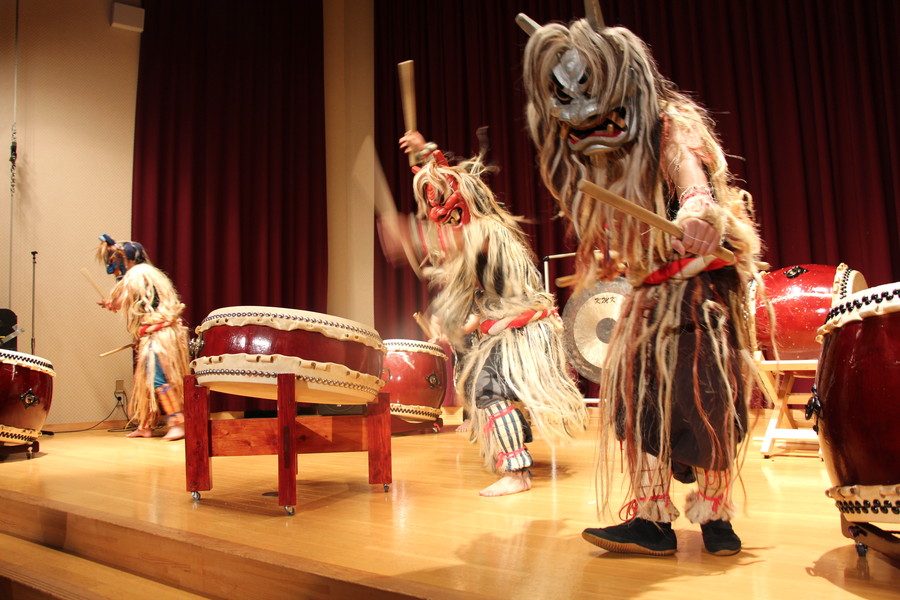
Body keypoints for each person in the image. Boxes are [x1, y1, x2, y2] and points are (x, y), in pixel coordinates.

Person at [519, 7, 763, 555]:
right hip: (650, 295)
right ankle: (652, 522)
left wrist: (699, 213)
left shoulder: (668, 123)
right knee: (641, 402)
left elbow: (692, 178)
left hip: (700, 294)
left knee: (706, 401)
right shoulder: (605, 161)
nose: (583, 111)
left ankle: (717, 519)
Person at [379, 131, 587, 496]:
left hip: (520, 331)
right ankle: (516, 448)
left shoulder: (488, 230)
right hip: (506, 330)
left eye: (447, 209)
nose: (441, 217)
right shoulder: (471, 238)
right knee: (491, 389)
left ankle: (516, 471)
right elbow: (466, 284)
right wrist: (425, 153)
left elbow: (462, 237)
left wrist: (410, 234)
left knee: (487, 389)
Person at [96, 234, 190, 440]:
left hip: (160, 334)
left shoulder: (137, 273)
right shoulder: (149, 272)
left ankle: (178, 422)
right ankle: (145, 425)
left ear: (126, 259)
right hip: (156, 331)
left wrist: (110, 303)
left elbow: (123, 300)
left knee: (158, 378)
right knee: (146, 380)